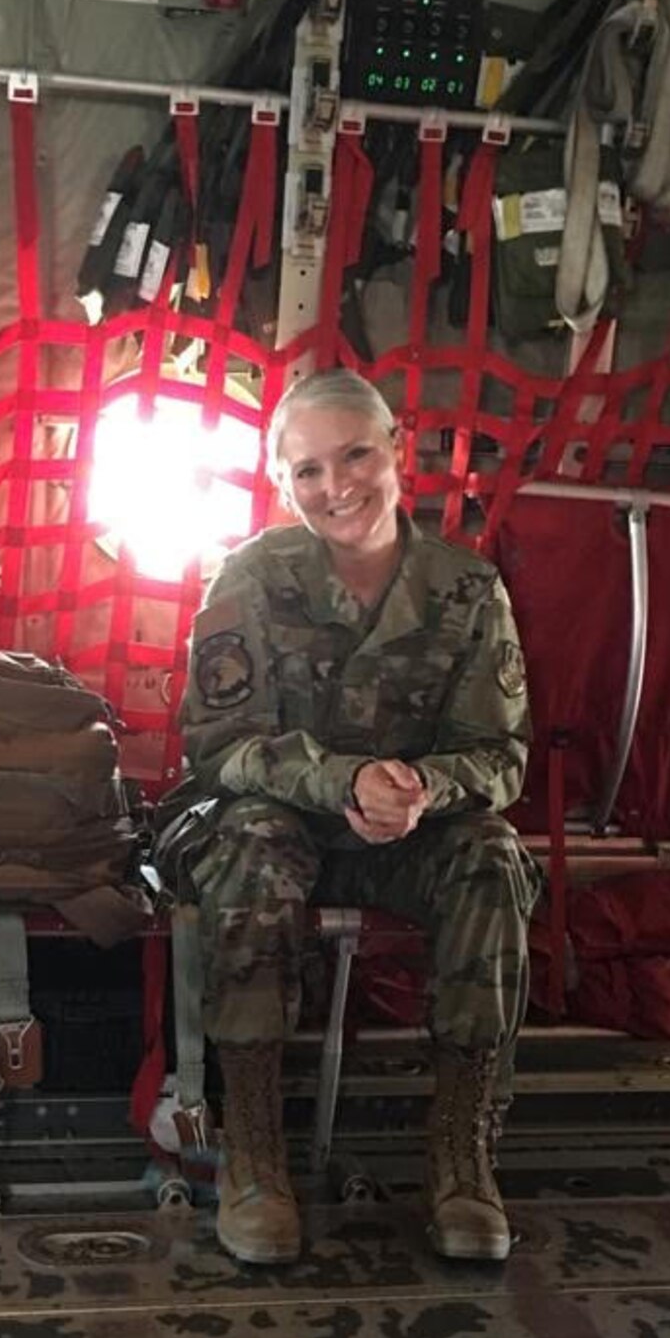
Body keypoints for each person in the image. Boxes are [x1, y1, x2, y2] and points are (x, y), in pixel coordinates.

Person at [164, 368, 541, 1266]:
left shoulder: (466, 590)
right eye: (309, 471)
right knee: (251, 844)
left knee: (492, 855)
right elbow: (218, 745)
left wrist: (417, 789)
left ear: (397, 449)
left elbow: (501, 756)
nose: (338, 487)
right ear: (283, 482)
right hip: (286, 827)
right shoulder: (252, 577)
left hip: (408, 838)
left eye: (357, 455)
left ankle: (462, 1150)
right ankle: (254, 1148)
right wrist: (343, 781)